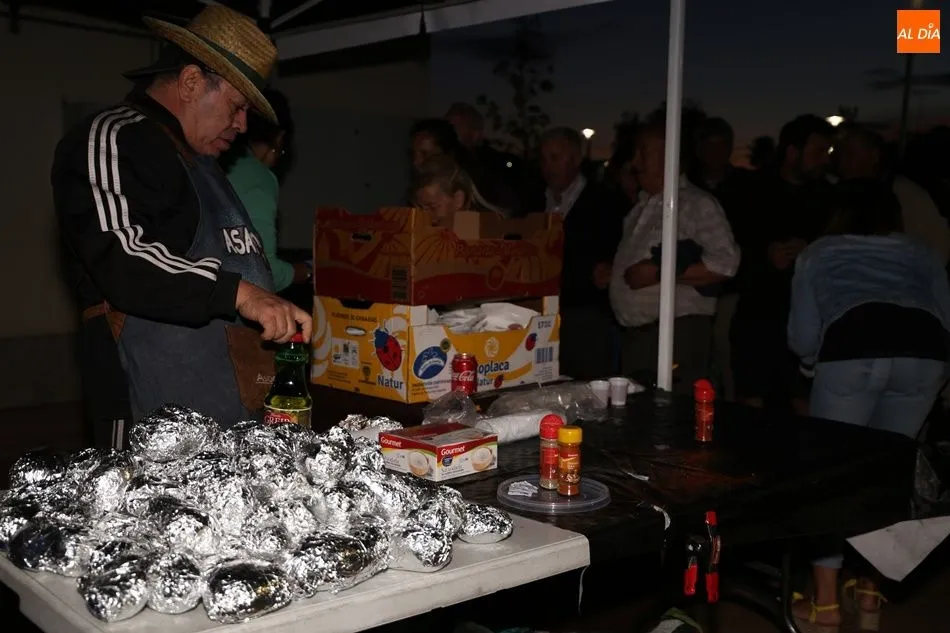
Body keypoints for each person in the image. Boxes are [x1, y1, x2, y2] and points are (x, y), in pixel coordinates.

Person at [52, 6, 311, 443]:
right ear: (191, 82)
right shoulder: (116, 137)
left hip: (234, 418)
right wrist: (243, 294)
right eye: (237, 106)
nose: (242, 124)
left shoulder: (206, 166)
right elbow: (122, 255)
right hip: (150, 419)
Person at [788, 179, 950, 631]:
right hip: (923, 352)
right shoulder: (921, 252)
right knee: (887, 475)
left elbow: (802, 336)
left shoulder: (819, 252)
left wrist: (811, 365)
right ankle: (870, 592)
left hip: (853, 346)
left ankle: (825, 604)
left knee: (832, 477)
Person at [609, 122, 739, 393]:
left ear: (667, 155)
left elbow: (726, 263)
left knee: (672, 411)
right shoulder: (641, 206)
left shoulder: (695, 203)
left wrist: (658, 272)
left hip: (676, 334)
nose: (634, 163)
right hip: (638, 337)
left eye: (642, 152)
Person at [731, 114, 835, 413]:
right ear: (792, 152)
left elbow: (839, 248)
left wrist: (810, 249)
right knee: (751, 399)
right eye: (818, 151)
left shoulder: (828, 197)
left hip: (810, 318)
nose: (824, 160)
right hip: (757, 314)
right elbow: (728, 247)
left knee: (804, 402)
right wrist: (765, 253)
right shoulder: (751, 190)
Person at [536, 127, 628, 379]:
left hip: (586, 315)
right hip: (540, 314)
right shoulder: (535, 200)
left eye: (555, 158)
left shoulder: (605, 201)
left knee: (587, 385)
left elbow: (613, 253)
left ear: (576, 159)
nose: (548, 166)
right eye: (543, 159)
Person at [224, 89, 311, 292]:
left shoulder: (209, 162)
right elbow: (264, 270)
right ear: (279, 138)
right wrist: (308, 271)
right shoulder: (258, 176)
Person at [835, 123, 950, 264]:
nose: (842, 163)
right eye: (841, 155)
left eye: (850, 155)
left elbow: (938, 243)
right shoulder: (839, 193)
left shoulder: (906, 194)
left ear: (874, 156)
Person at [411, 154, 507, 226]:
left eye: (432, 207)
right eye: (420, 210)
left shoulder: (488, 233)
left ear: (458, 199)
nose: (424, 217)